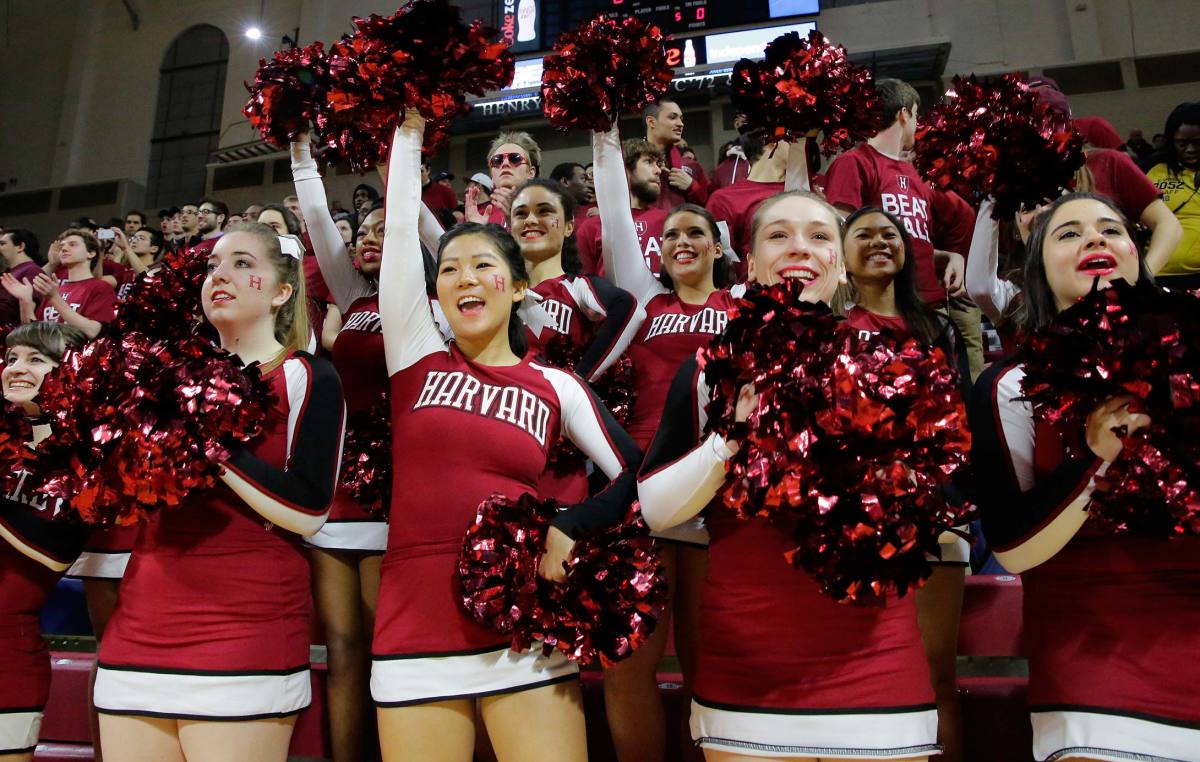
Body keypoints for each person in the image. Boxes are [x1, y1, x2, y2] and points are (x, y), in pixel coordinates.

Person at [371, 112, 641, 762]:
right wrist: (407, 128)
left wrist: (575, 524)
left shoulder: (556, 386)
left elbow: (639, 475)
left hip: (526, 634)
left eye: (482, 265)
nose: (463, 277)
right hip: (414, 631)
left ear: (517, 285)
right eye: (450, 270)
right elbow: (402, 215)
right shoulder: (414, 359)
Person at [638, 190, 940, 761]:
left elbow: (943, 503)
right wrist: (731, 439)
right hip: (749, 663)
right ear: (749, 265)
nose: (800, 246)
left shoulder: (900, 364)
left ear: (843, 262)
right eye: (778, 235)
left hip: (877, 658)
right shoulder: (712, 368)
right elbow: (655, 508)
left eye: (820, 235)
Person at [93, 221, 346, 762]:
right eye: (211, 267)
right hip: (140, 622)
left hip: (244, 626)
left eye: (242, 264)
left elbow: (308, 511)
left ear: (282, 292)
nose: (219, 276)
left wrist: (203, 440)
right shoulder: (164, 377)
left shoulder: (306, 376)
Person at [970, 192, 1200, 761]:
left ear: (1136, 254)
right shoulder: (1011, 384)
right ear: (1039, 271)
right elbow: (1015, 550)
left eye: (1110, 229)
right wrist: (1095, 457)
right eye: (1068, 234)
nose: (1095, 239)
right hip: (1093, 651)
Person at [290, 129, 447, 762]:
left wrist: (401, 144)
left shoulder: (432, 303)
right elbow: (320, 220)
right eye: (365, 232)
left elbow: (419, 221)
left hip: (400, 487)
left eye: (384, 227)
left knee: (394, 647)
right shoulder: (351, 297)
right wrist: (302, 151)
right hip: (338, 487)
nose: (367, 237)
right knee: (345, 648)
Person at [593, 122, 735, 762]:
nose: (680, 241)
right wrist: (605, 131)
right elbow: (619, 214)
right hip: (643, 488)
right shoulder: (645, 304)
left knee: (714, 667)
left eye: (694, 233)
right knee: (626, 666)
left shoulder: (744, 305)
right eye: (671, 234)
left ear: (718, 246)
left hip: (721, 494)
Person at [842, 206, 971, 762]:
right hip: (854, 523)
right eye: (862, 234)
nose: (877, 242)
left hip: (934, 519)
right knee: (860, 669)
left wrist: (936, 497)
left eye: (888, 234)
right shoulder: (830, 331)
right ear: (841, 256)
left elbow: (962, 428)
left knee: (937, 672)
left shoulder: (937, 328)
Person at [0, 322, 90, 762]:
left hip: (6, 657)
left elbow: (51, 552)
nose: (16, 368)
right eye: (11, 358)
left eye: (36, 359)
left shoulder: (87, 456)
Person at [1028, 77, 1182, 274]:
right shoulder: (1019, 179)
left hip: (1113, 287)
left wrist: (1142, 278)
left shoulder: (1109, 162)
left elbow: (1168, 225)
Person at [576, 139, 669, 277]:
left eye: (658, 164)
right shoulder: (591, 227)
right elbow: (587, 287)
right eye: (649, 162)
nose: (658, 171)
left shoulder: (671, 221)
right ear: (623, 169)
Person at [2, 228, 117, 339]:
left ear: (91, 253)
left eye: (72, 244)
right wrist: (25, 301)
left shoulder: (100, 287)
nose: (64, 249)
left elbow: (93, 331)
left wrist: (55, 298)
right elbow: (35, 335)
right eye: (62, 246)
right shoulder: (54, 289)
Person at [1146, 101, 1200, 288]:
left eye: (1197, 142)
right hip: (1162, 275)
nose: (1191, 149)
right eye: (1182, 143)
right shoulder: (1153, 170)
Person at [644, 99, 709, 210]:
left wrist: (692, 187)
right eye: (672, 117)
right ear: (651, 122)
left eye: (681, 119)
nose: (680, 124)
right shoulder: (630, 163)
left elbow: (712, 205)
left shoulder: (692, 166)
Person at [466, 131, 541, 228]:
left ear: (531, 172)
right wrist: (477, 233)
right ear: (492, 175)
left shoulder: (547, 209)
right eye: (497, 160)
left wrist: (516, 220)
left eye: (515, 158)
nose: (505, 163)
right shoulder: (478, 215)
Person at [0, 229, 44, 325]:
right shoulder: (8, 272)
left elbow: (30, 317)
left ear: (20, 246)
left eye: (2, 244)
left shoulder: (32, 272)